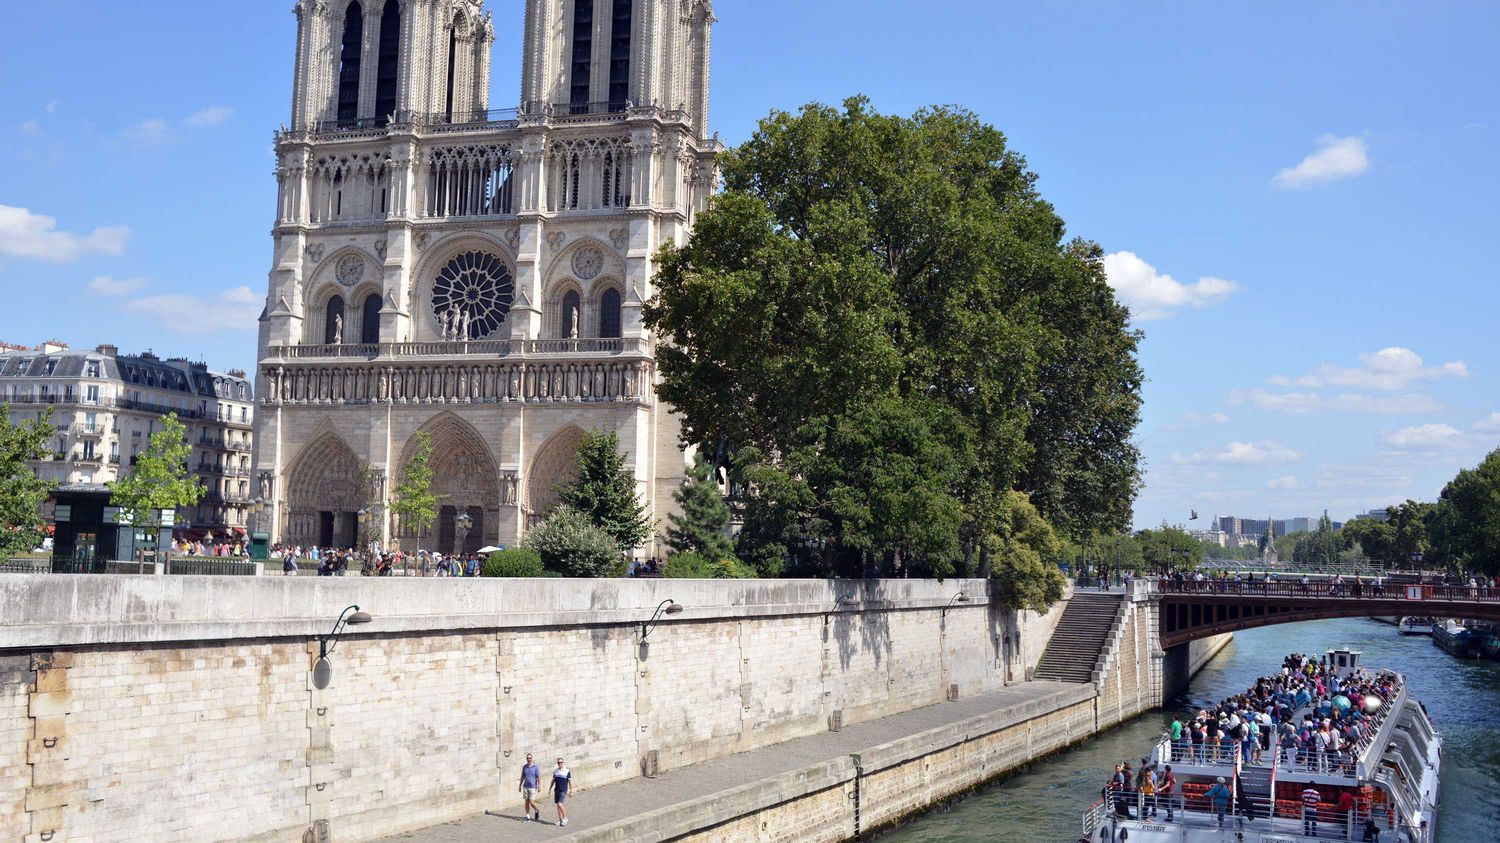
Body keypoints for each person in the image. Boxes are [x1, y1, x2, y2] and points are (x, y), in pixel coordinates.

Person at [549, 757, 572, 827]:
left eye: (561, 762)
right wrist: (549, 789)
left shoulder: (567, 771)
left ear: (563, 763)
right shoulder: (556, 771)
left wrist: (571, 791)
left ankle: (565, 817)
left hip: (563, 790)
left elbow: (570, 782)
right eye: (558, 762)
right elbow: (553, 781)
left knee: (560, 804)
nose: (560, 763)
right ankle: (560, 820)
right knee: (558, 806)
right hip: (557, 790)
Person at [518, 754, 541, 822]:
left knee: (531, 802)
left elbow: (538, 777)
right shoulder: (524, 767)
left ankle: (536, 809)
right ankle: (528, 816)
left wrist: (539, 786)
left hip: (532, 787)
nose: (529, 759)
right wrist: (520, 785)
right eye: (527, 758)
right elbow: (522, 776)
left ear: (532, 759)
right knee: (526, 802)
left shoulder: (535, 767)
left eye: (530, 758)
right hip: (525, 786)